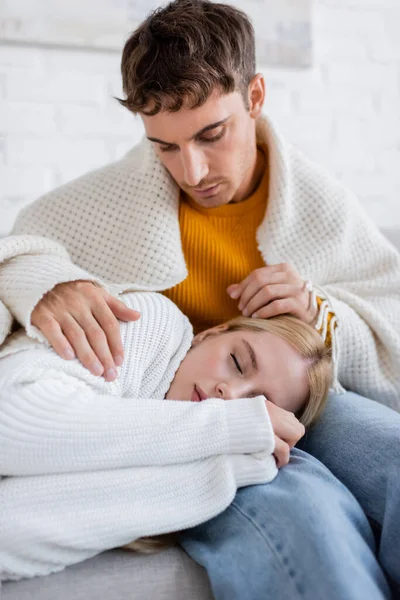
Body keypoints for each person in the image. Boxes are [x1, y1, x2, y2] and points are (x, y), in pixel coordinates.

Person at [0, 0, 399, 597]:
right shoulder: (97, 205)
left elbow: (388, 315)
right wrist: (41, 281)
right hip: (178, 415)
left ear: (255, 96)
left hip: (315, 396)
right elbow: (23, 250)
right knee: (307, 516)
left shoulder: (319, 202)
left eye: (213, 134)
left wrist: (325, 314)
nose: (192, 169)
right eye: (165, 146)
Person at [0, 291, 332, 580]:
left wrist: (230, 470)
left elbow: (11, 527)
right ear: (211, 334)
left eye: (256, 403)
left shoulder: (208, 454)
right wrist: (229, 425)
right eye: (236, 361)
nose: (230, 394)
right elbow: (10, 424)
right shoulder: (157, 324)